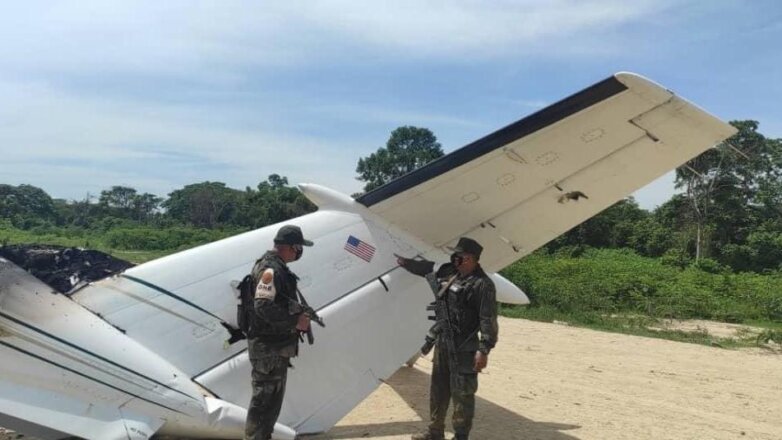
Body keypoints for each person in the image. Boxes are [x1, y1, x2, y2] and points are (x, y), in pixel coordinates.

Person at [398, 237, 499, 440]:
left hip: (464, 348)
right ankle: (435, 432)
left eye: (458, 256)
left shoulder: (482, 285)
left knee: (462, 395)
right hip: (443, 343)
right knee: (438, 390)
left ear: (469, 258)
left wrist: (484, 349)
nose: (454, 259)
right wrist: (406, 263)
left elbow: (488, 319)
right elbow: (427, 268)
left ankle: (460, 436)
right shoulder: (451, 273)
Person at [244, 224, 314, 440]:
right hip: (269, 349)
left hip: (273, 349)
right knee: (264, 404)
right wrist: (296, 321)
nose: (299, 252)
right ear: (290, 247)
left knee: (269, 405)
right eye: (299, 247)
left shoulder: (272, 267)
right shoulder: (271, 270)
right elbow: (263, 306)